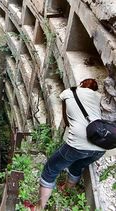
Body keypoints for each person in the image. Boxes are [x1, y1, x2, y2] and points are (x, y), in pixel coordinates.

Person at [34, 78, 105, 210]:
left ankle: (39, 207)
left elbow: (66, 121)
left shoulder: (69, 92)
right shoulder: (98, 96)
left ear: (81, 84)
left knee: (50, 169)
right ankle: (66, 191)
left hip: (77, 145)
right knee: (77, 166)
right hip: (100, 147)